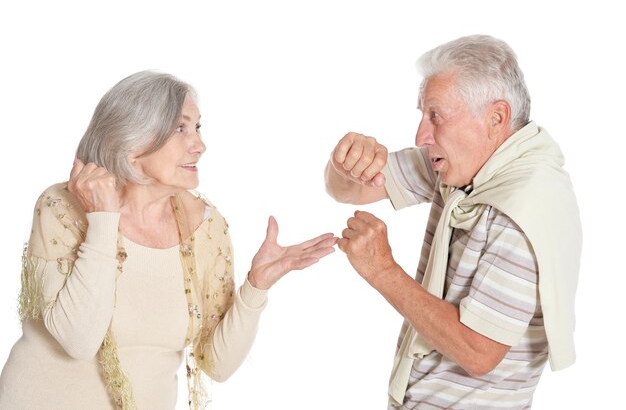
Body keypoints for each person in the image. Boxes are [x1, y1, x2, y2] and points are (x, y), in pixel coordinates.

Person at [0, 70, 337, 410]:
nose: (200, 145)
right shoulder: (62, 208)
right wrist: (103, 220)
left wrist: (256, 287)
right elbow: (79, 340)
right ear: (131, 140)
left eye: (197, 127)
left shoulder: (205, 227)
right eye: (180, 128)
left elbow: (217, 365)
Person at [325, 35, 582, 409]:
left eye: (436, 116)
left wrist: (382, 270)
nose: (421, 135)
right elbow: (349, 191)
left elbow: (479, 352)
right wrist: (344, 162)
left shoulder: (523, 209)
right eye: (422, 115)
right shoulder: (466, 165)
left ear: (496, 118)